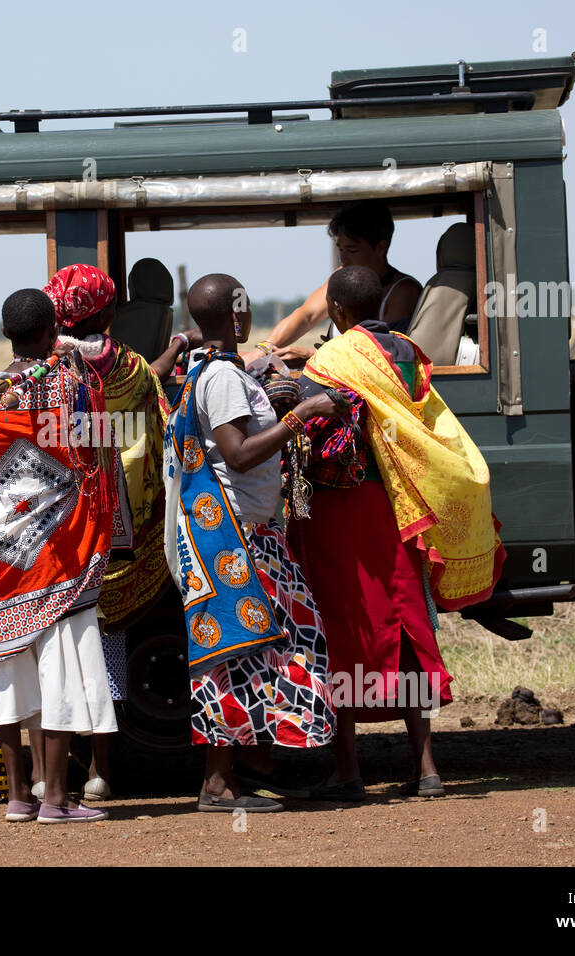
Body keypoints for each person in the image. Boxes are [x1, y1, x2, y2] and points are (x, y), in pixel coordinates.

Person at [289, 266, 506, 801]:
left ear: (336, 313)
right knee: (407, 623)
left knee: (340, 631)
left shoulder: (330, 361)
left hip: (339, 512)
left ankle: (347, 771)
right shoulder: (408, 352)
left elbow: (313, 426)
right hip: (399, 507)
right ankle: (427, 767)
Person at [163, 272, 342, 812]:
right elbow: (239, 454)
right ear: (238, 315)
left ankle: (250, 765)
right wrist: (301, 415)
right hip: (233, 539)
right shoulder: (218, 378)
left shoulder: (216, 371)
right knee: (237, 652)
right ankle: (219, 782)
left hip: (249, 534)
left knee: (262, 649)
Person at [0, 288, 119, 824]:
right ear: (52, 332)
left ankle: (18, 797)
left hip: (1, 547)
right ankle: (57, 800)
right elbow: (98, 445)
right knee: (62, 667)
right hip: (58, 549)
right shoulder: (68, 384)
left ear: (7, 335)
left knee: (7, 667)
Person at [34, 263, 199, 801]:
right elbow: (157, 429)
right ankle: (100, 769)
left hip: (63, 528)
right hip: (125, 533)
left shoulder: (41, 369)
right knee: (110, 643)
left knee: (55, 650)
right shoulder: (129, 367)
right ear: (107, 311)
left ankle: (44, 775)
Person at [244, 200, 422, 367]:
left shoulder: (404, 291)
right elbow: (306, 316)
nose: (343, 258)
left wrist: (313, 356)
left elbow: (382, 355)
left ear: (380, 248)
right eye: (340, 249)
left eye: (352, 250)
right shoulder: (341, 276)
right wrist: (263, 349)